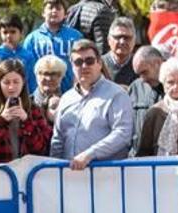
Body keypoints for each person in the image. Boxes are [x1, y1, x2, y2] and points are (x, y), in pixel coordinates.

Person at [49, 39, 133, 169]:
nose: (84, 66)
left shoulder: (117, 95)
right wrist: (54, 169)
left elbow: (122, 134)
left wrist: (90, 154)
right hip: (70, 176)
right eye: (78, 62)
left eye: (89, 61)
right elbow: (58, 139)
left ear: (99, 63)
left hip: (106, 176)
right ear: (72, 66)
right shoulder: (66, 98)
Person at [0, 59, 52, 163]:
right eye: (6, 82)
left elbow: (41, 148)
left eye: (16, 82)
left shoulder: (34, 110)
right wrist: (1, 121)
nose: (11, 87)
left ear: (23, 82)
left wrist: (26, 121)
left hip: (28, 173)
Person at [21, 0, 82, 93]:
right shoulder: (32, 39)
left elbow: (81, 63)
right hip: (39, 94)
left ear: (65, 14)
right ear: (43, 13)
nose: (54, 11)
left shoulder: (75, 37)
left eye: (58, 8)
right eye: (50, 8)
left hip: (69, 92)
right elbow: (26, 69)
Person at [31, 55, 67, 124]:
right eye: (45, 74)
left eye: (54, 74)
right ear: (36, 76)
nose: (49, 78)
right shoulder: (28, 104)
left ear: (61, 77)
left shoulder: (68, 102)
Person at [102, 17, 137, 87]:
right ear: (109, 40)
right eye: (118, 37)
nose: (122, 42)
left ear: (134, 41)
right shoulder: (97, 64)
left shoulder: (140, 65)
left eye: (127, 38)